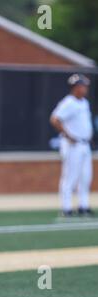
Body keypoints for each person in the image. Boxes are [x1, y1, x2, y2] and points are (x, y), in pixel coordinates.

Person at [50, 73, 94, 217]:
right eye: (83, 85)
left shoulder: (84, 102)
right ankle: (66, 208)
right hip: (73, 144)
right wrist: (68, 135)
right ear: (75, 87)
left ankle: (83, 206)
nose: (85, 88)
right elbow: (55, 119)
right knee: (70, 176)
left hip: (84, 144)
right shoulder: (69, 102)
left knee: (85, 176)